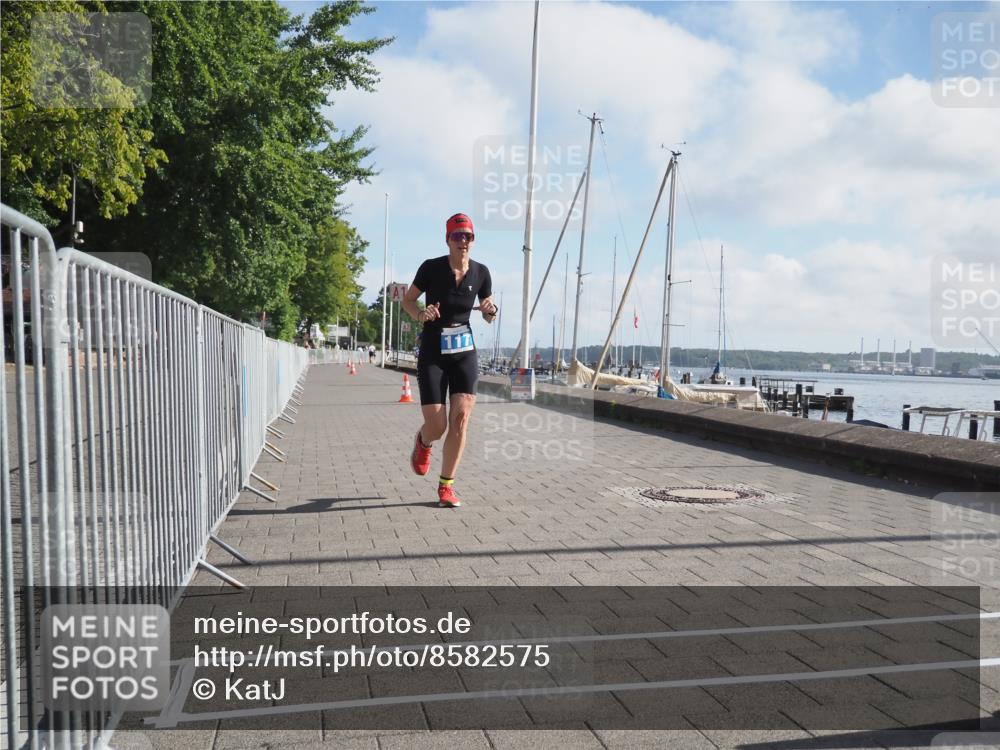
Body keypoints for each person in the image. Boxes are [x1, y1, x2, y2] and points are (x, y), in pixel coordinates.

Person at [401, 213, 497, 508]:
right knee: (438, 425)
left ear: (473, 240)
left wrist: (490, 311)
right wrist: (420, 314)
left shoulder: (481, 272)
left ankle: (446, 486)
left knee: (461, 419)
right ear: (447, 239)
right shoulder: (430, 268)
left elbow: (488, 312)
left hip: (463, 349)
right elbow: (407, 300)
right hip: (432, 348)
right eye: (457, 236)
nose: (463, 241)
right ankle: (423, 442)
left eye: (467, 236)